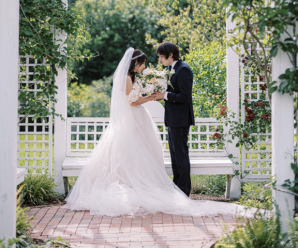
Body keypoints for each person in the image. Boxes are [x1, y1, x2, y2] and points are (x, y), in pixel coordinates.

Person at [63, 47, 254, 218]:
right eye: (143, 62)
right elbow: (131, 101)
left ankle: (172, 188)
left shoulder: (172, 71)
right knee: (132, 154)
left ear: (169, 55)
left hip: (147, 119)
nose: (146, 65)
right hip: (133, 119)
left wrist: (157, 94)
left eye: (159, 57)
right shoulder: (127, 78)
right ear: (135, 63)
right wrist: (152, 97)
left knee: (147, 153)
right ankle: (135, 186)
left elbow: (175, 95)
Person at [153, 42, 194, 196]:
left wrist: (164, 95)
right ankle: (177, 187)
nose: (160, 60)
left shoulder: (183, 70)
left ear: (170, 55)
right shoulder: (172, 69)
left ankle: (184, 190)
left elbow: (184, 96)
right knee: (175, 155)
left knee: (181, 154)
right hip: (173, 119)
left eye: (161, 57)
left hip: (181, 119)